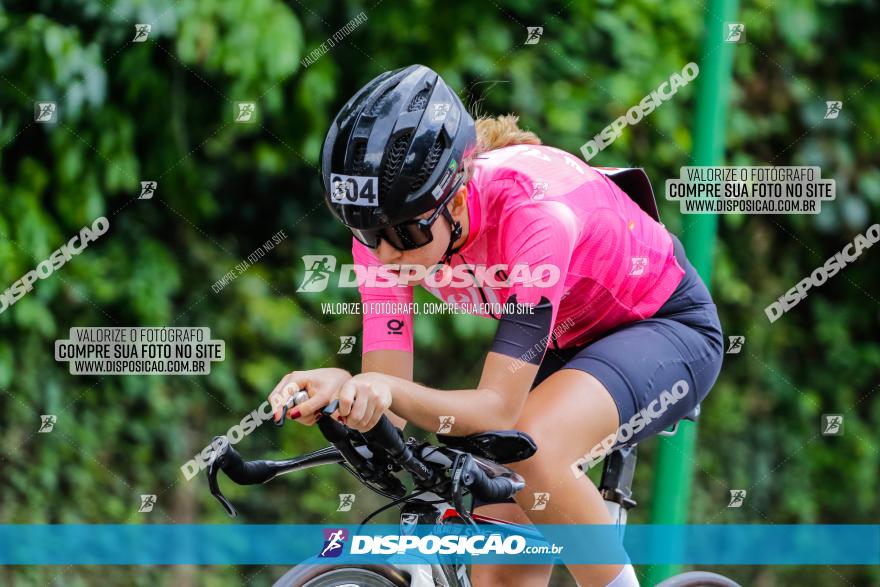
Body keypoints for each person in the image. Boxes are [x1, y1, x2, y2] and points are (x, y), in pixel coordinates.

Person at [269, 64, 724, 587]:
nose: (387, 254)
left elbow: (496, 409)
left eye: (406, 232)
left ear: (457, 200)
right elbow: (387, 399)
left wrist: (385, 390)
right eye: (367, 233)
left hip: (664, 325)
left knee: (532, 446)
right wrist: (341, 389)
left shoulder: (533, 216)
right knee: (501, 559)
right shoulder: (384, 236)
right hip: (563, 335)